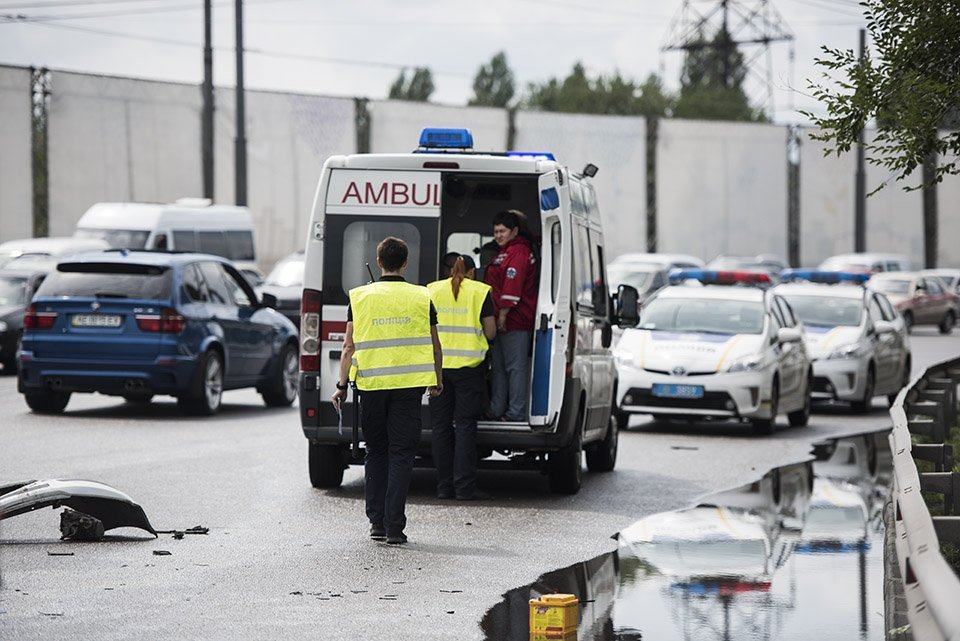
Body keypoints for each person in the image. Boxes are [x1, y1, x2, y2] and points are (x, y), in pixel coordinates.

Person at [332, 236, 443, 545]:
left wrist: (341, 386)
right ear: (406, 263)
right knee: (402, 454)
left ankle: (376, 523)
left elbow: (348, 347)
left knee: (376, 450)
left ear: (378, 262)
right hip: (408, 388)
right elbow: (435, 346)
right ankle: (395, 527)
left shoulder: (360, 297)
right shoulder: (422, 297)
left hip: (372, 386)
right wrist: (437, 379)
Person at [427, 254, 496, 500]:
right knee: (465, 427)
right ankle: (464, 488)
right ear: (472, 272)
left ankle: (444, 487)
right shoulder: (480, 291)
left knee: (440, 428)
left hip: (439, 369)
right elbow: (490, 332)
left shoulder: (432, 290)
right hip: (469, 369)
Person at [483, 209, 538, 422]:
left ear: (514, 231)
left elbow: (512, 285)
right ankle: (496, 410)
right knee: (498, 368)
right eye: (495, 231)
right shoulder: (505, 251)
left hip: (515, 321)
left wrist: (503, 314)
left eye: (502, 231)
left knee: (515, 369)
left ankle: (515, 413)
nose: (498, 235)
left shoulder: (519, 252)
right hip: (500, 321)